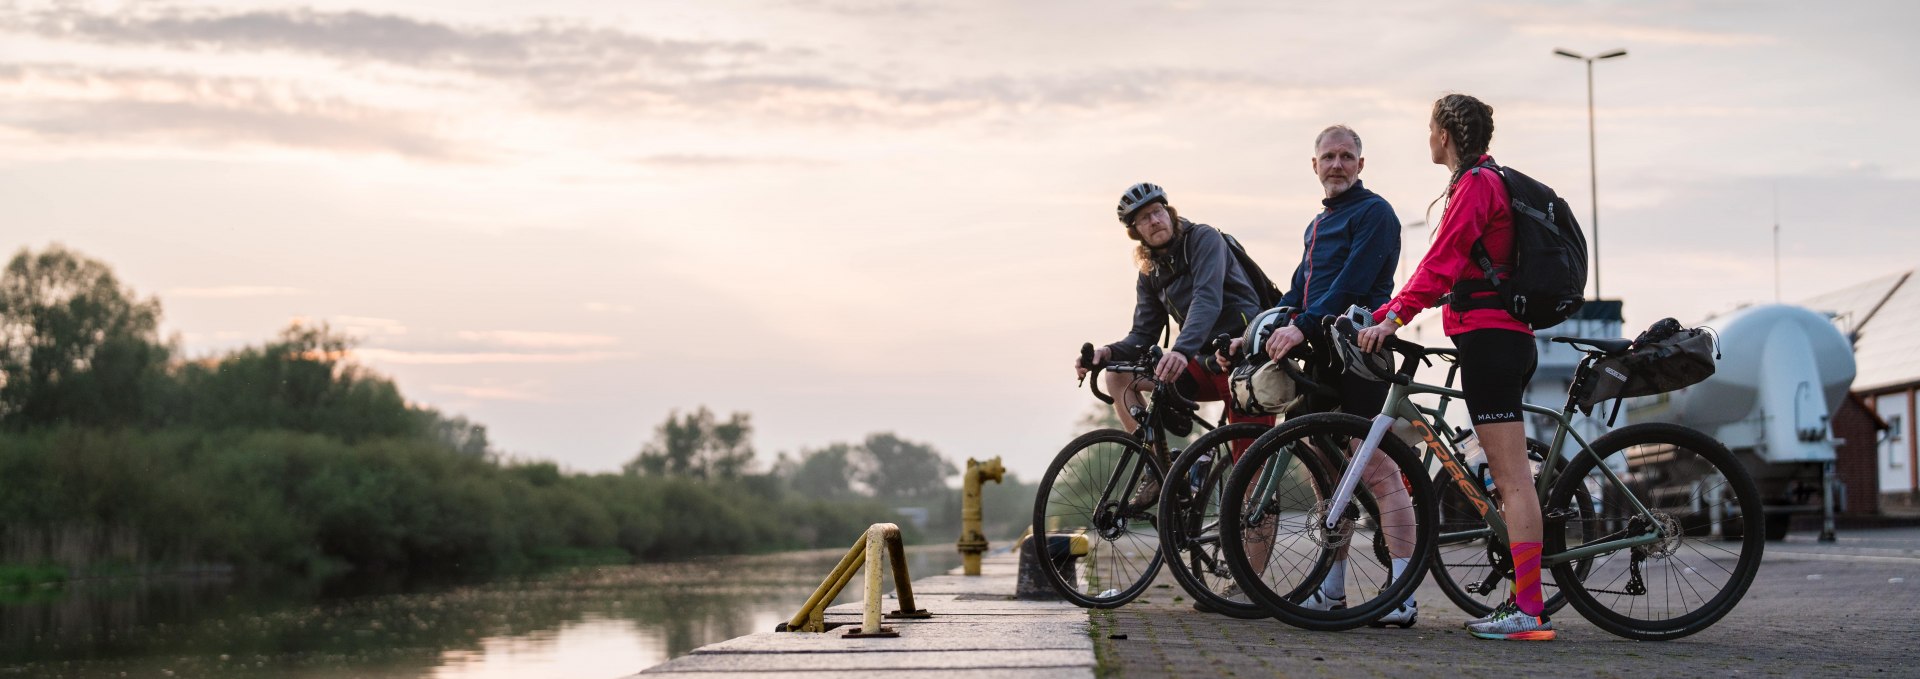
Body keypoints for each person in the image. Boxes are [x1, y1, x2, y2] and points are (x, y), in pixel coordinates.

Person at [1357, 93, 1553, 641]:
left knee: (1514, 481)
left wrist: (1393, 317)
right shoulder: (1483, 182)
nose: (1427, 138)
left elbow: (1441, 264)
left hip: (1493, 340)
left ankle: (1529, 611)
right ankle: (1527, 600)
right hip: (1490, 338)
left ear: (1445, 135)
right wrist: (1382, 313)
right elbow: (1442, 266)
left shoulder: (1476, 186)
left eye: (1429, 129)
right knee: (1509, 478)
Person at [1221, 125, 1416, 625]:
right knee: (1325, 476)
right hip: (1319, 360)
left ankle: (1404, 593)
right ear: (1314, 166)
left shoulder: (1376, 213)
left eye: (1346, 156)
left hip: (1359, 352)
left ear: (1361, 164)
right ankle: (1332, 591)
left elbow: (1351, 285)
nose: (1337, 164)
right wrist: (1259, 331)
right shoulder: (1315, 226)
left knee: (1375, 470)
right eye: (1328, 156)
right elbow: (1297, 294)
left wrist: (1302, 325)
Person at [1073, 183, 1270, 508]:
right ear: (1135, 231)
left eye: (1157, 212)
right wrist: (1105, 354)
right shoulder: (1150, 272)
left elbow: (1208, 299)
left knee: (1253, 483)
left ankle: (1245, 560)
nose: (1154, 221)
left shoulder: (1204, 239)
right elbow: (1142, 335)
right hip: (1202, 365)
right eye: (1143, 219)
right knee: (1118, 376)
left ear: (1169, 212)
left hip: (1242, 363)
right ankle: (1159, 470)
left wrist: (1180, 350)